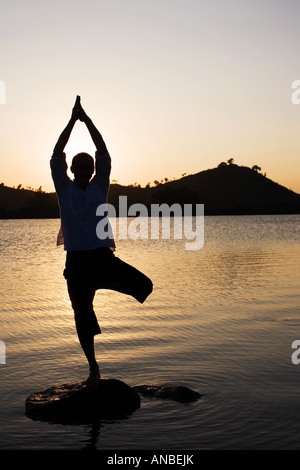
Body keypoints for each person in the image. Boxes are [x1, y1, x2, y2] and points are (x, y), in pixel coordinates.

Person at [50, 96, 153, 386]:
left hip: (102, 258)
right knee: (81, 315)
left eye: (87, 168)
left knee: (145, 286)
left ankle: (103, 287)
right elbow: (58, 152)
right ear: (71, 171)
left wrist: (88, 120)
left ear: (93, 171)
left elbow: (103, 150)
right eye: (78, 168)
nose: (83, 171)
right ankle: (93, 368)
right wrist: (72, 120)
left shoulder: (99, 188)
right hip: (77, 262)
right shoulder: (64, 189)